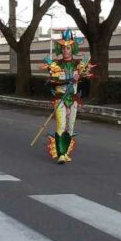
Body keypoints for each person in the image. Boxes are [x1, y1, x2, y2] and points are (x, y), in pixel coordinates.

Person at [42, 28, 94, 163]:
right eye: (64, 48)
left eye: (68, 48)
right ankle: (60, 154)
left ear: (73, 49)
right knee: (61, 125)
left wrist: (80, 76)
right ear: (61, 49)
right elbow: (52, 81)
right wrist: (69, 80)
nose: (66, 51)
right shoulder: (56, 64)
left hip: (73, 99)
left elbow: (86, 79)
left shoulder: (78, 65)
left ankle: (65, 152)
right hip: (60, 99)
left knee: (70, 127)